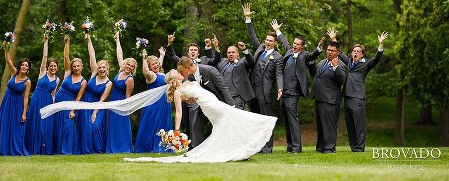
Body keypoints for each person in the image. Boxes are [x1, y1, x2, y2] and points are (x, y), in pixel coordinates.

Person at [41, 67, 277, 163]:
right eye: (175, 75)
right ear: (174, 80)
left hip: (211, 104)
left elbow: (194, 86)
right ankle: (240, 147)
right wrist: (176, 130)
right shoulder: (175, 91)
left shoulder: (187, 83)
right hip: (213, 107)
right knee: (235, 118)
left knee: (231, 120)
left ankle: (239, 147)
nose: (177, 76)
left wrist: (195, 95)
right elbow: (179, 112)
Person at [329, 30, 388, 153]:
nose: (355, 53)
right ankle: (353, 147)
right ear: (352, 53)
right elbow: (340, 54)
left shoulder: (366, 64)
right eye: (354, 51)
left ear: (362, 54)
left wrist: (381, 44)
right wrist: (334, 39)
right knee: (350, 125)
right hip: (347, 97)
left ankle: (360, 148)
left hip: (357, 98)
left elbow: (376, 59)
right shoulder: (349, 62)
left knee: (359, 124)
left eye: (358, 52)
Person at [271, 20, 325, 154]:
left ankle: (297, 148)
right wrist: (277, 31)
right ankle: (290, 146)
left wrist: (318, 48)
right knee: (286, 119)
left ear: (302, 46)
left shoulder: (304, 55)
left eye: (297, 44)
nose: (294, 46)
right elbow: (284, 41)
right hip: (283, 91)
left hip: (293, 92)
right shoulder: (289, 51)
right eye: (294, 43)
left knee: (293, 119)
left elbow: (313, 55)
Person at [242, 3, 282, 153]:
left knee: (266, 118)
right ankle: (256, 146)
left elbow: (279, 74)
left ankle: (267, 147)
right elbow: (252, 36)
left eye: (270, 41)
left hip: (265, 91)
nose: (267, 42)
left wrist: (280, 87)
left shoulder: (278, 57)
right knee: (255, 119)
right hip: (252, 88)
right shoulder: (260, 48)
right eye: (266, 40)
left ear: (275, 43)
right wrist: (248, 19)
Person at [175, 49, 234, 148]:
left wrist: (232, 106)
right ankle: (197, 150)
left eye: (181, 71)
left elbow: (223, 88)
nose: (180, 74)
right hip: (204, 105)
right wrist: (191, 99)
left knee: (228, 127)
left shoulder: (209, 70)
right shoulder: (190, 77)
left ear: (188, 68)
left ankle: (234, 149)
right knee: (196, 124)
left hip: (220, 104)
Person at [164, 34, 220, 136]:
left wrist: (210, 48)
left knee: (199, 123)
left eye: (195, 50)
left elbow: (215, 60)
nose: (193, 51)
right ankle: (188, 143)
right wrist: (170, 44)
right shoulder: (182, 63)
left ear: (198, 53)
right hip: (186, 99)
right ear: (188, 53)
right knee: (187, 122)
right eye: (191, 50)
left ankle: (199, 143)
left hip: (202, 97)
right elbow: (172, 56)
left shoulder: (205, 61)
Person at [0, 44, 31, 156]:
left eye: (26, 66)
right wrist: (6, 47)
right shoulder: (13, 73)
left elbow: (26, 98)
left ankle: (15, 149)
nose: (24, 67)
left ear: (28, 68)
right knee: (5, 124)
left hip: (18, 105)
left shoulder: (27, 81)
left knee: (16, 127)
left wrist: (24, 113)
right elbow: (8, 60)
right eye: (22, 65)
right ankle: (2, 148)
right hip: (7, 102)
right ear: (20, 66)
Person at [308, 40, 347, 153]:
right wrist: (311, 63)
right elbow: (314, 74)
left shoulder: (341, 65)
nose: (329, 52)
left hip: (330, 100)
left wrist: (336, 68)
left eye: (332, 50)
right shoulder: (322, 62)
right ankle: (320, 147)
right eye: (328, 50)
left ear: (338, 52)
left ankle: (329, 148)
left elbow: (342, 80)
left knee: (329, 126)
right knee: (320, 125)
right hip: (319, 97)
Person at [24, 34, 59, 155]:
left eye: (55, 66)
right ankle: (33, 148)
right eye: (51, 66)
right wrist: (46, 41)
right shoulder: (42, 73)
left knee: (46, 125)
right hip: (37, 99)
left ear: (57, 68)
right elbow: (45, 56)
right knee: (36, 123)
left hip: (48, 102)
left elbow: (53, 94)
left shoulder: (57, 80)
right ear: (47, 67)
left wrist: (53, 107)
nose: (53, 68)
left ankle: (45, 149)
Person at [134, 48, 173, 153]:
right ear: (149, 66)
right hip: (154, 104)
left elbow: (158, 64)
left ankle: (164, 145)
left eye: (157, 63)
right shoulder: (151, 75)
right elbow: (146, 71)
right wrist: (144, 59)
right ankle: (148, 146)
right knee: (152, 124)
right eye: (153, 64)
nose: (156, 65)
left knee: (163, 124)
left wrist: (162, 55)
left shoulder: (162, 74)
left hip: (165, 103)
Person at [54, 35, 87, 155]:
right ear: (71, 67)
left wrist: (73, 110)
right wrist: (67, 42)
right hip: (59, 99)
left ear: (82, 67)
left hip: (70, 104)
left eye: (78, 66)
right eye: (74, 66)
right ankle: (56, 149)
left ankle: (67, 150)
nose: (76, 68)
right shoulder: (67, 73)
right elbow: (66, 56)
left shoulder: (84, 82)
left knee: (68, 125)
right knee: (57, 125)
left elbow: (78, 98)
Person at [81, 34, 113, 153]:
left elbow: (102, 100)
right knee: (86, 128)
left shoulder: (109, 83)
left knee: (95, 126)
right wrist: (89, 41)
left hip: (98, 106)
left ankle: (97, 149)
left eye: (104, 67)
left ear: (107, 69)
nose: (101, 69)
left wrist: (94, 113)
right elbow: (92, 55)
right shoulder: (94, 73)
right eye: (100, 67)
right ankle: (85, 150)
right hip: (86, 103)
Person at [106, 32, 136, 153]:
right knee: (112, 125)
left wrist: (126, 109)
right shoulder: (120, 71)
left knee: (120, 125)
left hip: (121, 102)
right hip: (113, 100)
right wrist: (117, 39)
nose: (129, 67)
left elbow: (128, 95)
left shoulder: (129, 79)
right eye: (128, 64)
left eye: (132, 66)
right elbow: (119, 54)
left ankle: (122, 148)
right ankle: (112, 147)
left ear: (134, 68)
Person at [208, 42, 255, 110]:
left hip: (237, 98)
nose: (231, 54)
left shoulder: (242, 62)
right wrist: (216, 48)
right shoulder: (223, 61)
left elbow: (252, 62)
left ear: (238, 54)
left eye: (233, 52)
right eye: (229, 53)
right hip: (223, 97)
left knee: (235, 118)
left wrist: (244, 49)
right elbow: (213, 61)